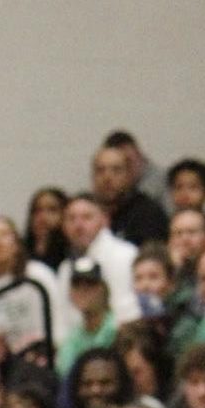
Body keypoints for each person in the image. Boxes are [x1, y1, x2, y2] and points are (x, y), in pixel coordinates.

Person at [0, 213, 61, 361]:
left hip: (41, 356)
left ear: (16, 242)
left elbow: (57, 319)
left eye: (4, 235)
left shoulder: (38, 275)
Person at [57, 193, 137, 332]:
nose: (78, 225)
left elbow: (126, 309)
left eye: (87, 217)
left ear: (104, 220)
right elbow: (64, 318)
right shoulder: (65, 268)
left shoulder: (125, 255)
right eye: (71, 219)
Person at [91, 142, 169, 248]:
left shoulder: (148, 214)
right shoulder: (86, 212)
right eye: (100, 170)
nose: (107, 177)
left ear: (129, 175)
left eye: (116, 170)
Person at [24, 187, 69, 270]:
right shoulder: (21, 252)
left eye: (52, 210)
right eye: (37, 210)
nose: (43, 217)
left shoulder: (71, 253)